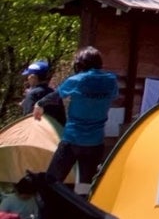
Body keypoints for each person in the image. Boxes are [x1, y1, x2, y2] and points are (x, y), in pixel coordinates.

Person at [43, 48, 119, 190]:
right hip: (95, 142)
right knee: (84, 185)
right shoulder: (111, 80)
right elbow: (113, 96)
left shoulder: (77, 80)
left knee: (52, 180)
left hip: (72, 140)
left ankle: (48, 210)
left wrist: (39, 104)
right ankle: (80, 209)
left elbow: (55, 96)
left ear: (80, 64)